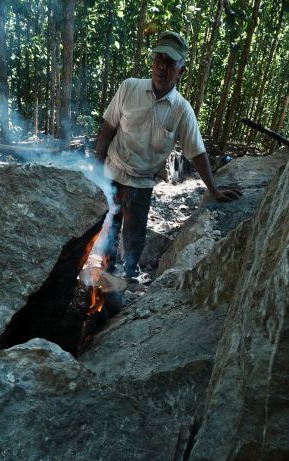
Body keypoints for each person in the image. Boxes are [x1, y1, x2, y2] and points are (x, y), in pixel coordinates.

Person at [95, 31, 242, 280]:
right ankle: (105, 278)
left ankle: (127, 278)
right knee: (108, 230)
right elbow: (109, 128)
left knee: (134, 238)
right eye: (158, 58)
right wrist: (96, 167)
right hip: (112, 172)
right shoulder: (129, 87)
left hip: (141, 184)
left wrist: (214, 189)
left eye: (170, 62)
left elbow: (196, 152)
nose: (161, 66)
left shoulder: (182, 111)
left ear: (181, 70)